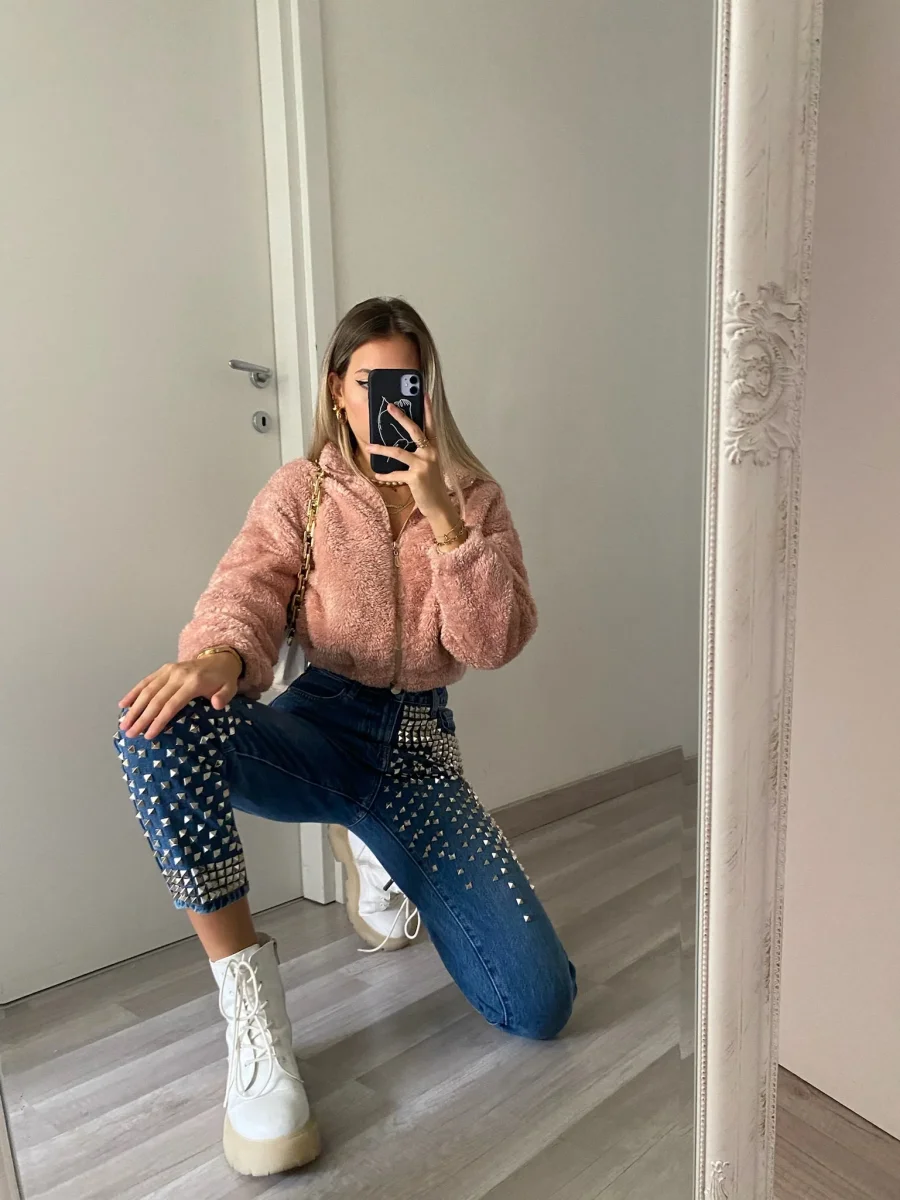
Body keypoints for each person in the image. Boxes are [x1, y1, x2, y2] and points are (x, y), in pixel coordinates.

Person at [114, 297, 576, 1178]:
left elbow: (493, 643)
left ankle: (372, 841)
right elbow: (247, 588)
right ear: (338, 389)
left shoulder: (475, 498)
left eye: (408, 382)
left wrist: (444, 519)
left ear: (427, 390)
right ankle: (250, 1007)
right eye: (372, 383)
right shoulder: (305, 491)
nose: (389, 401)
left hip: (420, 747)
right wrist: (217, 657)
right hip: (320, 724)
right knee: (156, 729)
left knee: (539, 1006)